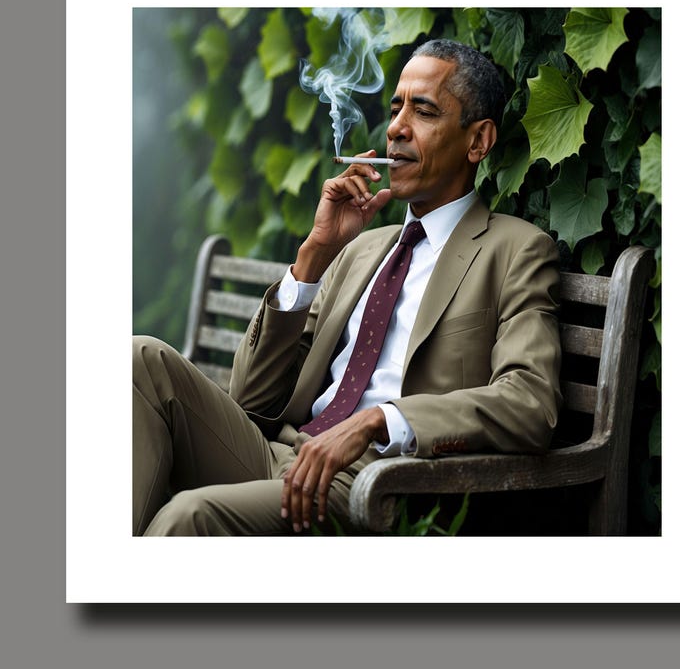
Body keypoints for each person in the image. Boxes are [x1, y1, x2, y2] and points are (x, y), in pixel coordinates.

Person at [133, 39, 562, 536]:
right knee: (140, 359)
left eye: (424, 111)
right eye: (396, 109)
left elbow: (530, 402)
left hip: (375, 483)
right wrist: (313, 257)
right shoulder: (361, 249)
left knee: (187, 515)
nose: (397, 128)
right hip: (282, 455)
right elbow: (251, 400)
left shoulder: (516, 250)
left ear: (478, 141)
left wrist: (380, 420)